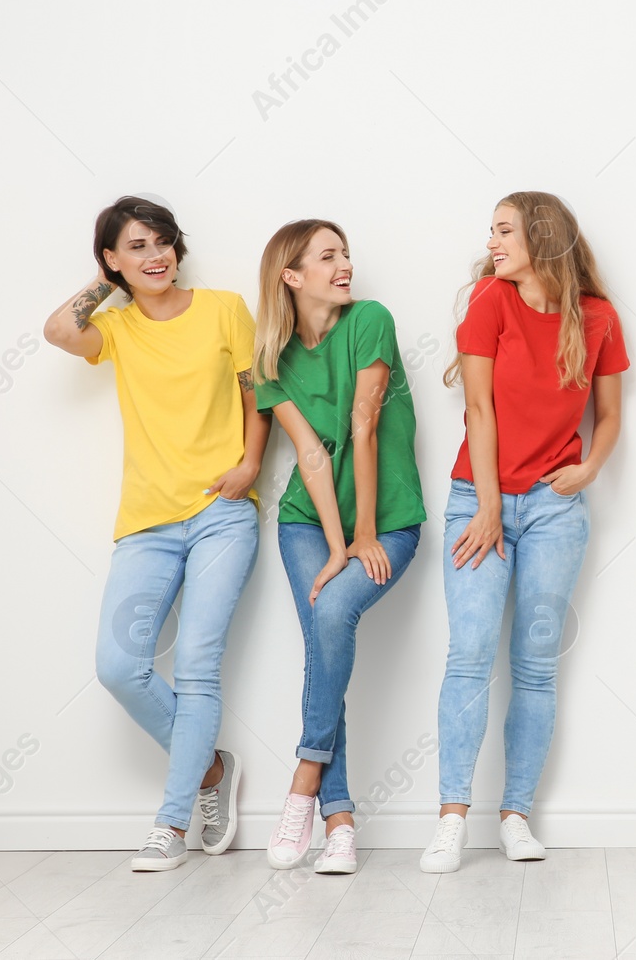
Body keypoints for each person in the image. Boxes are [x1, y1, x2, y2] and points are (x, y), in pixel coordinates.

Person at [42, 196, 268, 871]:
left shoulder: (225, 307)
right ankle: (208, 772)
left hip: (223, 513)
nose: (155, 255)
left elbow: (260, 391)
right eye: (136, 246)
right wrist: (105, 286)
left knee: (197, 665)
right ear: (112, 259)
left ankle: (170, 824)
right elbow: (58, 330)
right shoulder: (117, 328)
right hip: (146, 521)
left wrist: (251, 463)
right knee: (119, 665)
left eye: (162, 240)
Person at [421, 191, 629, 873]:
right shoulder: (490, 299)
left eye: (504, 229)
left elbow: (608, 413)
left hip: (553, 509)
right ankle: (452, 817)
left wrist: (589, 469)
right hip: (476, 499)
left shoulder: (597, 318)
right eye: (492, 229)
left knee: (537, 665)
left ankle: (515, 814)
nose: (492, 240)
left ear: (542, 236)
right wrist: (487, 505)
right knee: (470, 654)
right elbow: (477, 407)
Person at [253, 219, 425, 874]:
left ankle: (305, 779)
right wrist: (333, 543)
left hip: (389, 521)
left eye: (345, 252)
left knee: (329, 625)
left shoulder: (371, 319)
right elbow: (308, 456)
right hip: (304, 520)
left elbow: (364, 424)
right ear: (292, 276)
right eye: (328, 256)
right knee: (328, 636)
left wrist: (362, 537)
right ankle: (341, 823)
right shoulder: (270, 359)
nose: (344, 264)